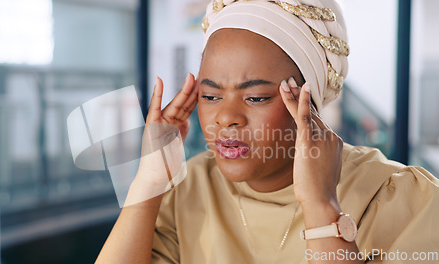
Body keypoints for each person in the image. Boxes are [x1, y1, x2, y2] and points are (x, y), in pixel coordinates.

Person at [95, 0, 439, 263]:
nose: (225, 117)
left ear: (311, 105)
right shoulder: (190, 190)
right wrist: (148, 182)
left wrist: (322, 206)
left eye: (256, 97)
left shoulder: (403, 199)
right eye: (210, 95)